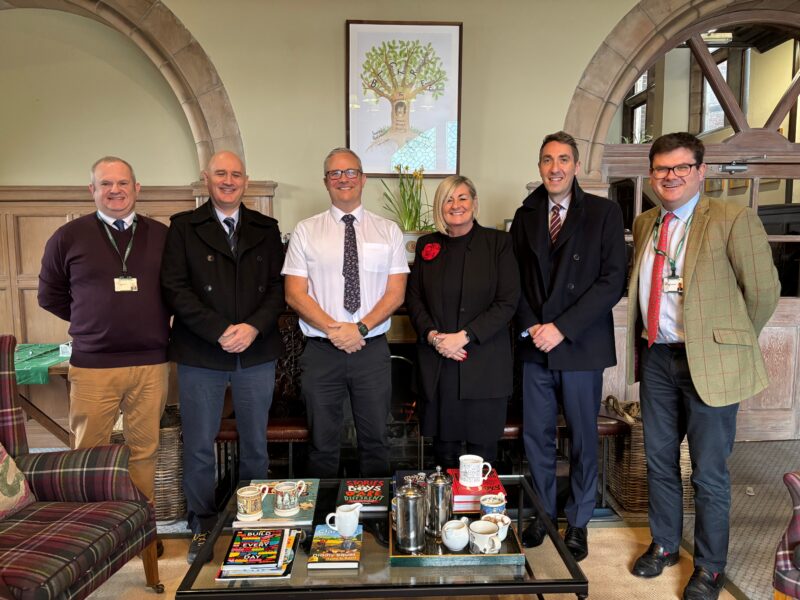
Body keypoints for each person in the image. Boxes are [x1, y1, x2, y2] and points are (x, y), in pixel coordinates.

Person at [627, 132, 779, 600]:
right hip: (657, 357)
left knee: (709, 473)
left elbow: (763, 292)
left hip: (709, 363)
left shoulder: (733, 218)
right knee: (658, 461)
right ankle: (667, 544)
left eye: (680, 168)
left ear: (700, 171)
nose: (670, 177)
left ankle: (710, 568)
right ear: (651, 175)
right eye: (661, 169)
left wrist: (728, 345)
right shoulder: (646, 220)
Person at [38, 157, 170, 556]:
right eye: (106, 184)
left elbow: (176, 290)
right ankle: (92, 536)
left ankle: (142, 533)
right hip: (93, 364)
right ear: (91, 190)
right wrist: (93, 321)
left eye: (123, 183)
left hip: (151, 362)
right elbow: (51, 296)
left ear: (137, 188)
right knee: (90, 454)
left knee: (145, 451)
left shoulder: (162, 236)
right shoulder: (68, 236)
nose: (116, 190)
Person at [160, 151, 284, 563]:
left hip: (256, 350)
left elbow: (278, 290)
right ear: (206, 179)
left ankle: (252, 521)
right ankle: (201, 521)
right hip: (202, 351)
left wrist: (252, 327)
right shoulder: (183, 227)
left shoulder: (266, 228)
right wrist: (218, 330)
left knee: (255, 444)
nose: (228, 180)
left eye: (235, 174)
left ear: (245, 181)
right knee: (198, 444)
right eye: (220, 174)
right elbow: (175, 289)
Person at [511, 131, 627, 562]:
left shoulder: (604, 212)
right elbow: (515, 283)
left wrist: (560, 327)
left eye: (563, 159)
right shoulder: (525, 216)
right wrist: (533, 327)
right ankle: (541, 514)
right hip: (535, 345)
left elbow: (611, 281)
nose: (554, 167)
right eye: (546, 160)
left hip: (579, 343)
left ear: (576, 166)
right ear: (539, 166)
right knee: (537, 438)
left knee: (582, 437)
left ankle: (578, 522)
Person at [282, 148, 409, 478]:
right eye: (335, 174)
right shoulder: (306, 231)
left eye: (350, 172)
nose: (343, 179)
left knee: (375, 441)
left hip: (372, 352)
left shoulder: (388, 231)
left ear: (363, 179)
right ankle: (325, 521)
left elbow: (396, 293)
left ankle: (374, 521)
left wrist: (361, 328)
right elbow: (294, 293)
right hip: (322, 352)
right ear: (326, 182)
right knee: (322, 443)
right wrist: (336, 330)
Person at [405, 175, 520, 468]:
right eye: (448, 199)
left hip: (484, 367)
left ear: (475, 202)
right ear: (439, 207)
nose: (455, 205)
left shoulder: (500, 244)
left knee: (482, 461)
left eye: (462, 198)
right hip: (439, 367)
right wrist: (434, 337)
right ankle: (447, 515)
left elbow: (507, 301)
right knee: (444, 457)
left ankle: (483, 516)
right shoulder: (426, 245)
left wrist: (464, 336)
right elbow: (414, 299)